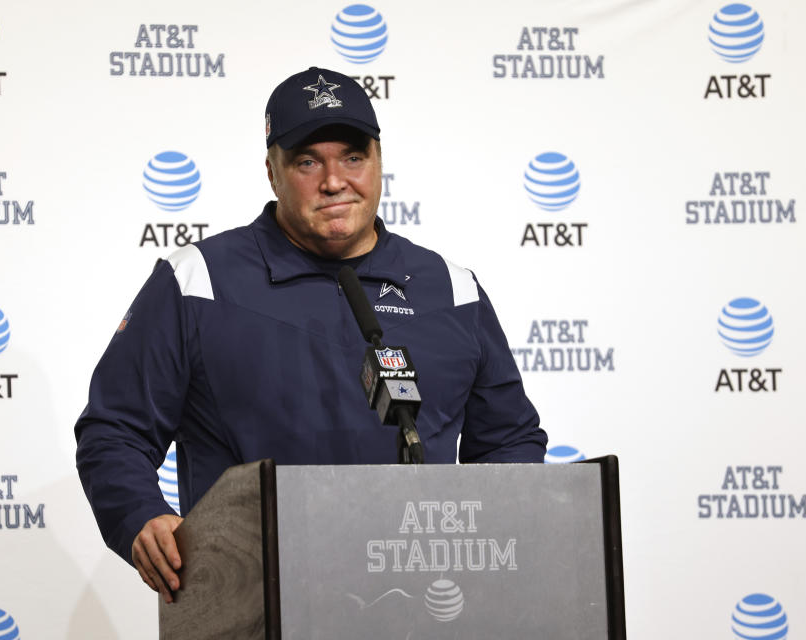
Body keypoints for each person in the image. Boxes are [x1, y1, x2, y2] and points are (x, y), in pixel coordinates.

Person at [75, 66, 547, 604]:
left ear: (379, 163)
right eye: (307, 162)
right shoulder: (199, 280)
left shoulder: (451, 289)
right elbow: (114, 431)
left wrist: (495, 548)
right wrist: (140, 514)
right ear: (272, 172)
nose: (333, 181)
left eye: (353, 156)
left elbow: (509, 441)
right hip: (251, 603)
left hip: (425, 607)